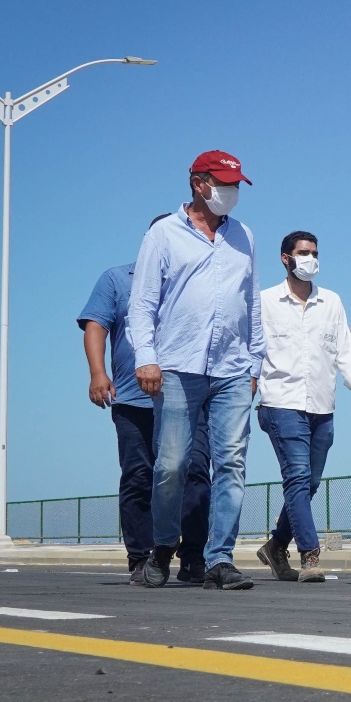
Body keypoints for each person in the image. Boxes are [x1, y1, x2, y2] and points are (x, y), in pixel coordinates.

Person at [128, 150, 265, 591]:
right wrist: (146, 357)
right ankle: (163, 547)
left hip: (232, 369)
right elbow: (143, 303)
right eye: (224, 183)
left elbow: (253, 304)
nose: (232, 192)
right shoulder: (164, 234)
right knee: (171, 464)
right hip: (177, 366)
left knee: (232, 463)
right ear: (198, 183)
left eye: (236, 184)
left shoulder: (244, 236)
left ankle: (219, 559)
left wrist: (255, 363)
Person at [78, 215, 212, 585]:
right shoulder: (117, 279)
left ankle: (193, 556)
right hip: (134, 399)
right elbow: (96, 325)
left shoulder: (196, 280)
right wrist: (97, 373)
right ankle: (141, 555)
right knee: (139, 476)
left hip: (188, 396)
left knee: (195, 470)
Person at [255, 231, 351, 583]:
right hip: (280, 403)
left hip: (322, 405)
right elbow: (251, 352)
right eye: (303, 252)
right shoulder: (265, 301)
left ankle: (275, 545)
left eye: (314, 252)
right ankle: (310, 557)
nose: (310, 258)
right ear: (286, 258)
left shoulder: (330, 302)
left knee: (310, 482)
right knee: (297, 477)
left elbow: (345, 351)